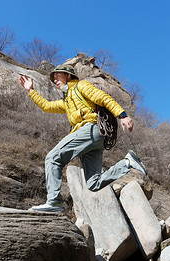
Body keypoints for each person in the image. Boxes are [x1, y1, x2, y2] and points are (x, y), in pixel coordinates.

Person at [19, 64, 147, 212]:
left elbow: (103, 98)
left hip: (90, 129)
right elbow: (47, 106)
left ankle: (54, 202)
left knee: (53, 158)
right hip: (94, 140)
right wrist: (31, 90)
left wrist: (122, 115)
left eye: (57, 75)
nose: (55, 79)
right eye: (53, 77)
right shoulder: (66, 101)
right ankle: (127, 163)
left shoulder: (81, 86)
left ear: (68, 75)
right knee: (94, 184)